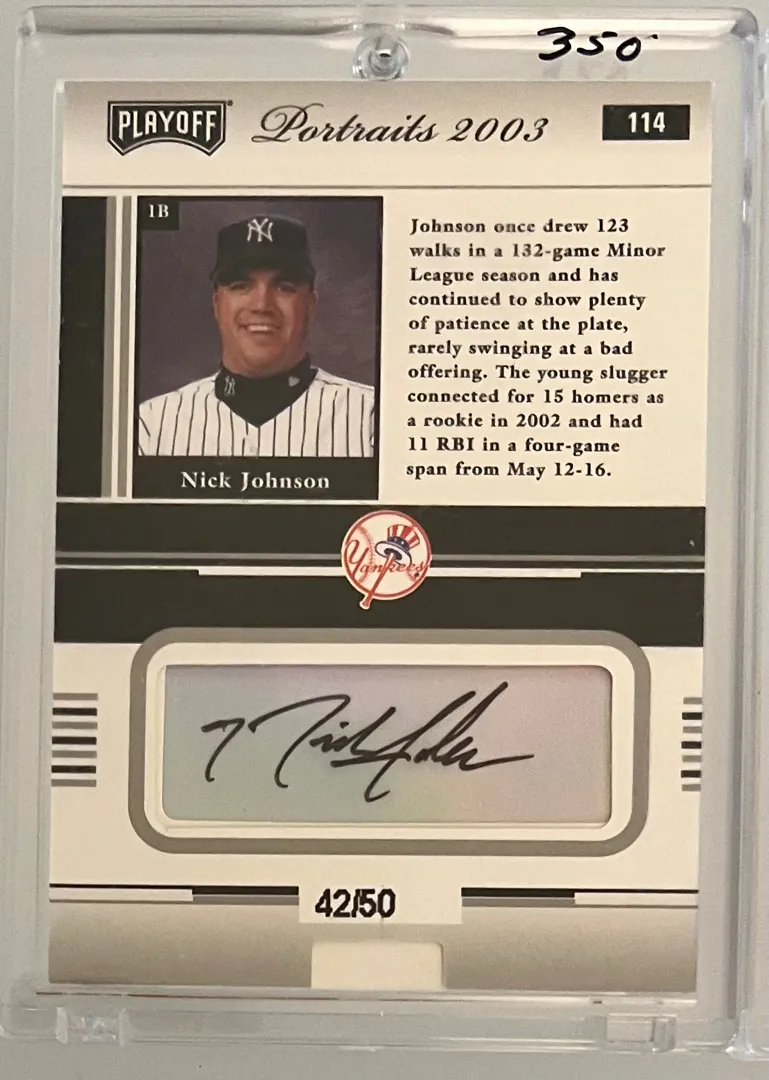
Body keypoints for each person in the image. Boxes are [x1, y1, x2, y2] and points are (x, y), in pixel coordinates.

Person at [138, 215, 375, 457]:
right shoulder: (152, 425)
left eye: (284, 287)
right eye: (241, 286)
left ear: (310, 306)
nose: (261, 305)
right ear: (217, 305)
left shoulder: (370, 418)